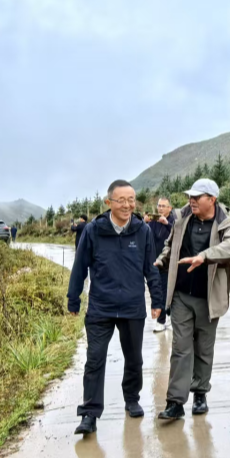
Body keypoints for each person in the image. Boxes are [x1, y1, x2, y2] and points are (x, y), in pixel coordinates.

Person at [67, 180, 164, 435]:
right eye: (121, 200)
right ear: (108, 202)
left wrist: (157, 300)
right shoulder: (93, 230)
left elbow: (151, 268)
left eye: (131, 200)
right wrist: (73, 298)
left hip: (132, 306)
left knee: (134, 359)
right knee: (95, 359)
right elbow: (80, 266)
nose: (127, 205)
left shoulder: (142, 231)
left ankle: (132, 399)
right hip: (101, 306)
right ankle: (89, 413)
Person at [155, 178, 230, 420]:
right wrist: (162, 260)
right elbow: (170, 245)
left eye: (197, 197)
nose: (191, 201)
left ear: (212, 200)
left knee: (204, 349)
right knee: (180, 349)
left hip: (208, 298)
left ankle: (200, 393)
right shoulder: (182, 218)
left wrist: (205, 256)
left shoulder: (226, 222)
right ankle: (175, 401)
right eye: (190, 197)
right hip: (181, 296)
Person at [149, 197, 176, 333]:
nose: (160, 208)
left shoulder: (174, 221)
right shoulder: (153, 222)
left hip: (168, 263)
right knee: (156, 290)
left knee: (164, 291)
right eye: (159, 206)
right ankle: (167, 316)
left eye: (163, 206)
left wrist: (167, 224)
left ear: (170, 208)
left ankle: (161, 321)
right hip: (154, 262)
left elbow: (178, 236)